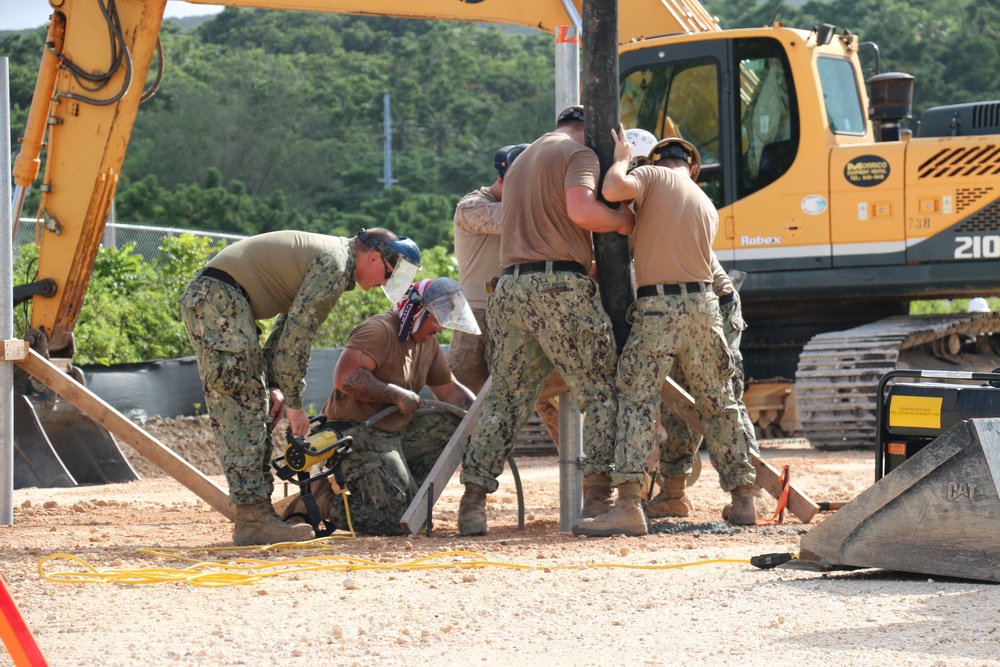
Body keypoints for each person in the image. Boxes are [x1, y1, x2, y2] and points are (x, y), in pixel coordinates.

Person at [179, 228, 421, 546]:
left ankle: (256, 517)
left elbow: (287, 324)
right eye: (386, 276)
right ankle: (252, 521)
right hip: (219, 299)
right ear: (374, 257)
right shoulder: (335, 265)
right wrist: (294, 403)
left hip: (222, 301)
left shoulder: (335, 261)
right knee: (243, 401)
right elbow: (299, 335)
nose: (382, 285)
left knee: (255, 398)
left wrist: (276, 386)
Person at [457, 105, 635, 536]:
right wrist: (621, 221)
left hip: (512, 292)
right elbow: (581, 211)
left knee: (505, 399)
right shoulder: (579, 156)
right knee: (599, 392)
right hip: (559, 289)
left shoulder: (521, 163)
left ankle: (473, 503)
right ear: (593, 135)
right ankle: (598, 499)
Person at [573, 129, 756, 537]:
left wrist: (620, 158)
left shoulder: (653, 177)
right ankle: (743, 498)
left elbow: (614, 187)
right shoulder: (705, 204)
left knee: (636, 399)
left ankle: (626, 505)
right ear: (692, 168)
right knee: (719, 403)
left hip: (661, 308)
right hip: (703, 307)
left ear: (654, 163)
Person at [281, 277, 478, 535]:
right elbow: (345, 377)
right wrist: (393, 394)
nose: (441, 328)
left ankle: (404, 495)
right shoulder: (379, 330)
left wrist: (481, 419)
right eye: (438, 318)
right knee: (400, 520)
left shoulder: (425, 342)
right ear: (418, 312)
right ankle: (324, 502)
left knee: (455, 425)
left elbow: (449, 390)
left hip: (396, 432)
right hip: (357, 434)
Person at [449, 142, 562, 446]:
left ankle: (587, 477)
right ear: (504, 180)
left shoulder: (528, 205)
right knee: (460, 399)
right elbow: (515, 220)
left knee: (544, 395)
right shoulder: (472, 206)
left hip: (519, 311)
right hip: (476, 316)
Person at [648, 255, 760, 518]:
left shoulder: (654, 223)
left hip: (711, 304)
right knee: (677, 402)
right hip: (685, 304)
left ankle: (752, 493)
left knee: (724, 401)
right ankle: (673, 494)